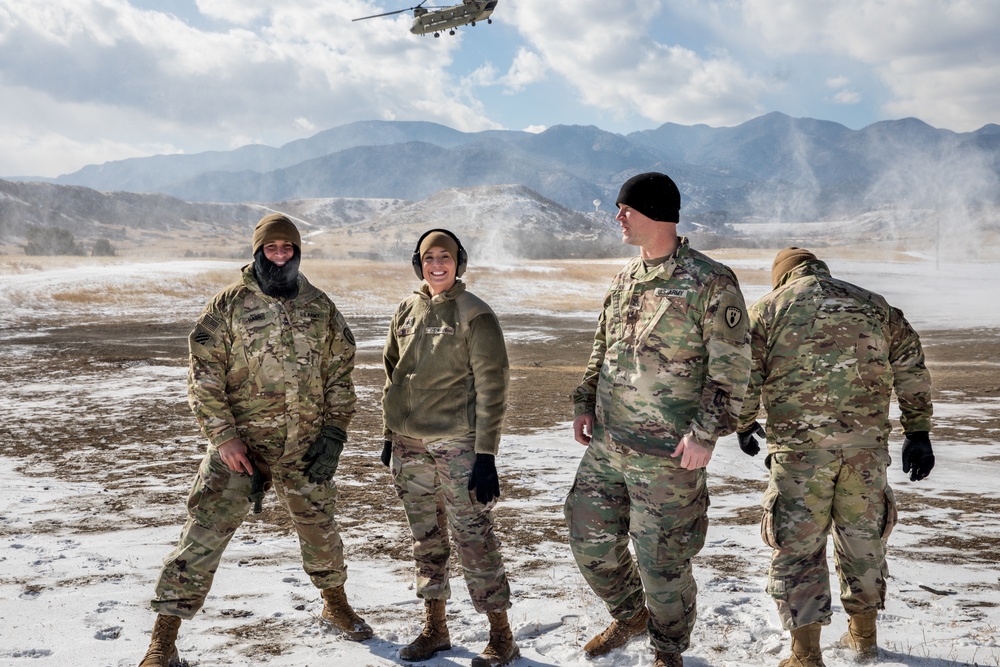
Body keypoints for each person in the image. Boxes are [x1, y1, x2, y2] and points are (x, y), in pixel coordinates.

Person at [138, 214, 372, 667]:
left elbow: (340, 372)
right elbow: (202, 378)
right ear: (258, 252)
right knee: (201, 539)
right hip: (240, 450)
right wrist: (224, 438)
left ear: (298, 252)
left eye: (288, 248)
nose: (280, 256)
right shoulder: (227, 306)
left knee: (321, 532)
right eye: (272, 248)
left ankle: (335, 604)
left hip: (303, 446)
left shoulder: (319, 307)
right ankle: (163, 640)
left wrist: (335, 434)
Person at [566, 172, 751, 667]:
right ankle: (630, 615)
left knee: (662, 564)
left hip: (670, 455)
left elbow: (731, 370)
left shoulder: (709, 280)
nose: (617, 217)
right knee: (588, 536)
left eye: (627, 208)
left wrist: (705, 434)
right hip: (608, 445)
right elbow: (602, 348)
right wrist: (585, 400)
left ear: (657, 214)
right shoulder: (626, 277)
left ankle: (669, 651)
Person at [736, 247, 935, 667]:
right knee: (863, 544)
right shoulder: (874, 305)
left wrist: (744, 423)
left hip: (799, 454)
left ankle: (805, 655)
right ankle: (863, 638)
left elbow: (744, 374)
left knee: (798, 549)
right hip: (865, 452)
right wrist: (917, 431)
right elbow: (911, 365)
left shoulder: (768, 309)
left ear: (781, 276)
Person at [380, 228, 519, 667]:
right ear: (417, 263)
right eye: (427, 257)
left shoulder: (474, 313)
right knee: (426, 538)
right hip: (409, 446)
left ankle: (501, 635)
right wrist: (389, 435)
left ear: (459, 262)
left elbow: (493, 385)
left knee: (473, 537)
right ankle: (435, 629)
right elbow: (392, 372)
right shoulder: (406, 308)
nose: (436, 264)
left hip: (458, 446)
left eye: (445, 257)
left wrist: (486, 455)